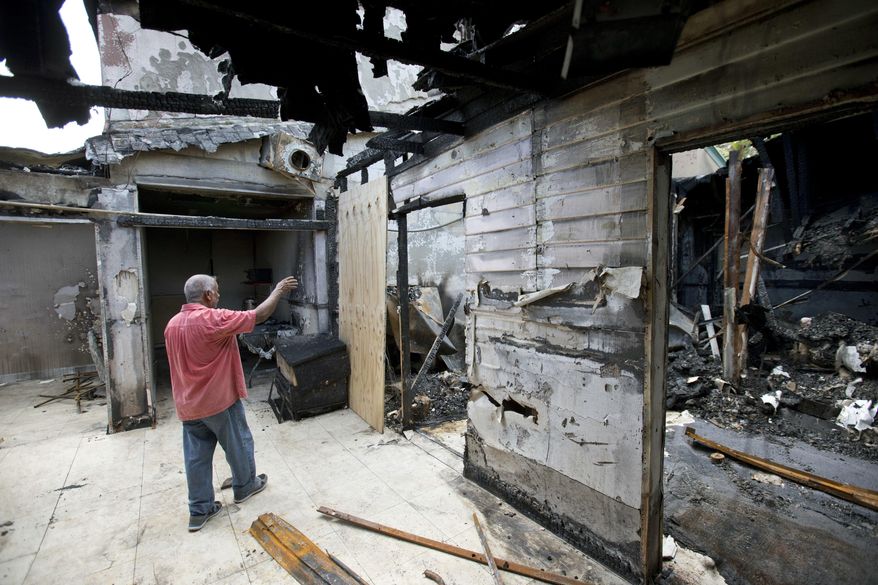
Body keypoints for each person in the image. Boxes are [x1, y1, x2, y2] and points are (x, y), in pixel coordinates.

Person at [164, 273, 298, 532]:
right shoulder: (213, 319)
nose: (218, 295)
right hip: (218, 401)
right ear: (207, 295)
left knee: (196, 458)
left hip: (188, 405)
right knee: (239, 443)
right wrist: (278, 290)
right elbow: (258, 316)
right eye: (216, 290)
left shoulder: (172, 324)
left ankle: (199, 510)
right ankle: (245, 485)